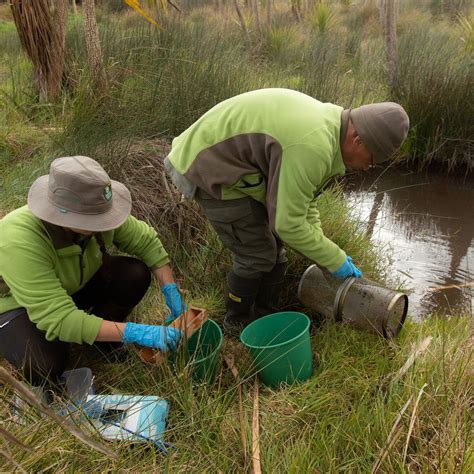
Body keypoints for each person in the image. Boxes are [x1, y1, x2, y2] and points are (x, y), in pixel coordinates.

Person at [164, 88, 409, 334]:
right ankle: (236, 325)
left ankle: (265, 317)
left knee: (275, 250)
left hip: (241, 167)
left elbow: (305, 203)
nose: (369, 167)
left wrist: (324, 249)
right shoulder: (313, 145)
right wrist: (334, 259)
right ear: (357, 139)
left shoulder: (330, 132)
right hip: (207, 164)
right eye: (372, 158)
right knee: (257, 253)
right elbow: (288, 224)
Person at [0, 156, 185, 385]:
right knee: (43, 366)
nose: (106, 222)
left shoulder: (97, 213)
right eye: (96, 219)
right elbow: (58, 317)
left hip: (71, 287)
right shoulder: (19, 240)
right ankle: (84, 336)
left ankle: (102, 339)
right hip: (20, 305)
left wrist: (170, 289)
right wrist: (134, 332)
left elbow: (145, 241)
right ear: (63, 213)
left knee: (134, 274)